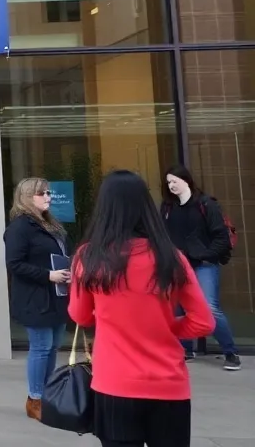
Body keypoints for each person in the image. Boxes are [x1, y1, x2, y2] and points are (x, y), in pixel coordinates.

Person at [70, 170, 215, 447]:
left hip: (114, 383)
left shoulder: (88, 257)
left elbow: (80, 315)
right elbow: (203, 322)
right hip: (168, 384)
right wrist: (164, 327)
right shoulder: (171, 257)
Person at [3, 177, 71, 421]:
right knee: (41, 347)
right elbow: (14, 264)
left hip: (57, 295)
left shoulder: (50, 224)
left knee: (52, 347)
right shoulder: (19, 227)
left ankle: (46, 394)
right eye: (41, 194)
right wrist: (48, 275)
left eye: (48, 193)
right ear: (26, 197)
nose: (48, 198)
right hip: (36, 297)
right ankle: (35, 398)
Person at [161, 165, 241, 371]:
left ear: (186, 180)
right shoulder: (168, 207)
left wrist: (204, 255)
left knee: (209, 307)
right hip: (178, 265)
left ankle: (230, 352)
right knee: (178, 307)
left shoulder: (206, 204)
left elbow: (221, 237)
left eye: (174, 181)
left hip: (204, 265)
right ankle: (185, 349)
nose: (171, 186)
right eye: (168, 182)